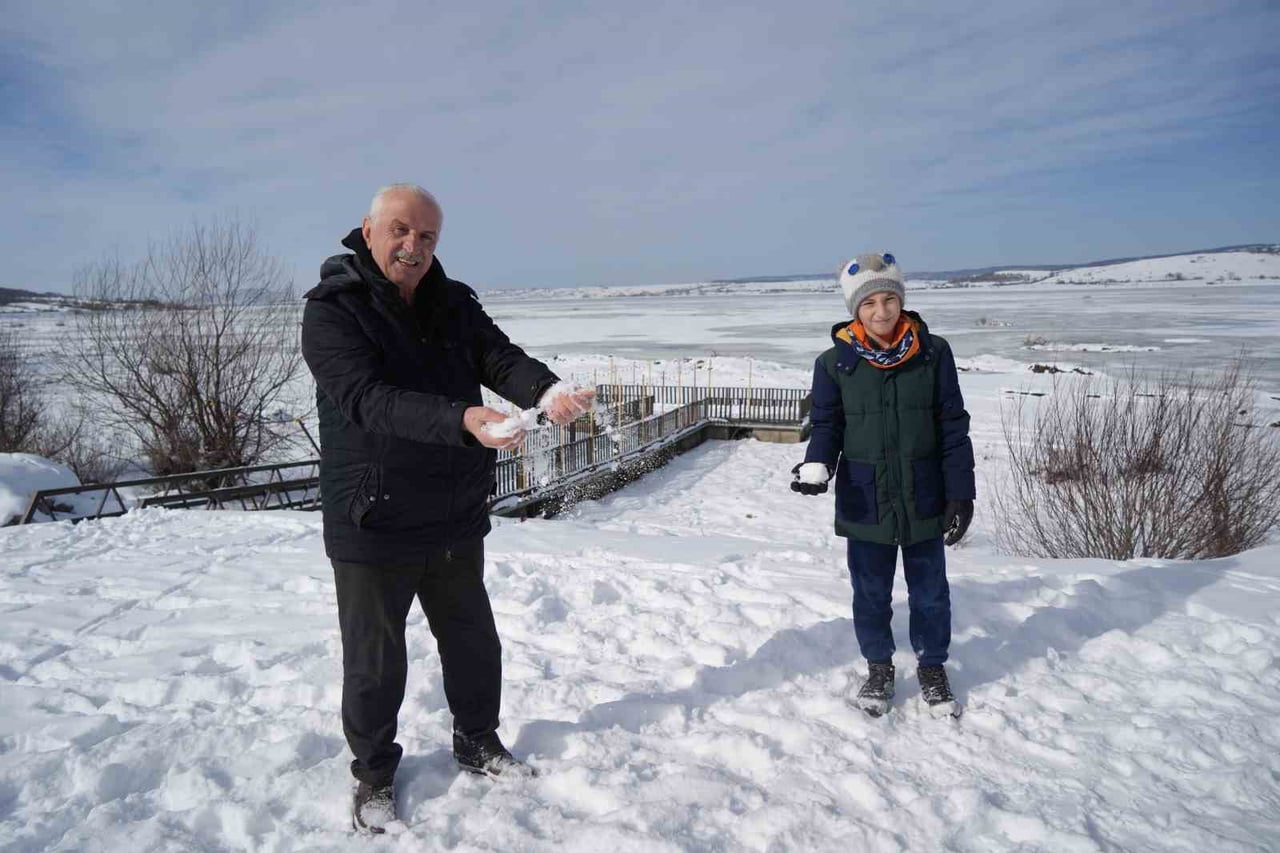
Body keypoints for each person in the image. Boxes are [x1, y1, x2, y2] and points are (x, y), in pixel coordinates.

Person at [301, 183, 594, 834]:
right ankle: (374, 774)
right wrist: (463, 418)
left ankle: (477, 738)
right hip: (372, 513)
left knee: (472, 640)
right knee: (375, 660)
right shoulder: (332, 311)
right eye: (401, 230)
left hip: (453, 507)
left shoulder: (453, 301)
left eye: (428, 236)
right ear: (368, 231)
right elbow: (367, 399)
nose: (414, 246)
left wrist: (547, 390)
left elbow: (497, 356)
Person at [791, 252, 974, 718]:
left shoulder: (933, 354)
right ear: (855, 309)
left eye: (889, 298)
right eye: (869, 302)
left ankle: (932, 666)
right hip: (864, 495)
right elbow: (827, 425)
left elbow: (952, 424)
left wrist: (961, 490)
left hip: (924, 492)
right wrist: (817, 466)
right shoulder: (834, 363)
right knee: (870, 590)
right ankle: (879, 666)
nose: (881, 311)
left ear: (901, 301)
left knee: (930, 590)